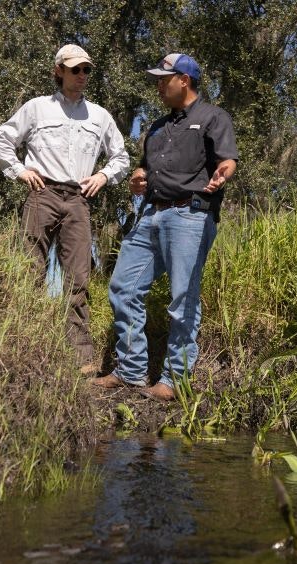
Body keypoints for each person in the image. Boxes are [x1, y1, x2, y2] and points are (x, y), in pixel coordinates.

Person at [93, 53, 238, 401]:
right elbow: (144, 171)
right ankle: (130, 372)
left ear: (184, 80)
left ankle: (174, 380)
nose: (158, 85)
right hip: (150, 216)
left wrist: (225, 170)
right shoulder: (157, 128)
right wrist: (138, 179)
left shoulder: (213, 117)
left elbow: (228, 159)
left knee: (182, 297)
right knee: (123, 288)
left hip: (190, 216)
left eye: (164, 78)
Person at [0, 44, 130, 375]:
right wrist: (19, 171)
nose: (81, 75)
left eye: (86, 70)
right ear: (59, 71)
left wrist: (103, 175)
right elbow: (1, 140)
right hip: (42, 194)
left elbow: (122, 157)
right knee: (30, 269)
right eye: (75, 69)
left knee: (78, 279)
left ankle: (81, 356)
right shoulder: (37, 108)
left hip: (78, 201)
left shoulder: (99, 116)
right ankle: (25, 343)